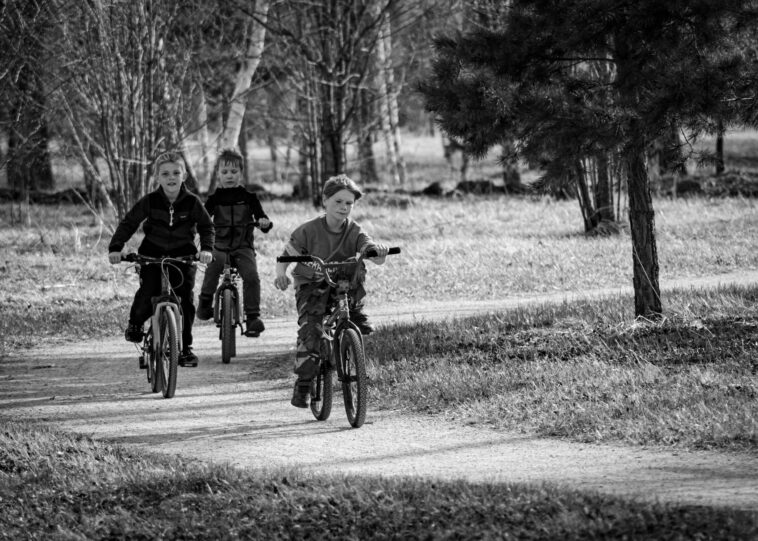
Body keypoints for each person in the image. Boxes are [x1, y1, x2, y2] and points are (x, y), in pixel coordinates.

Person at [274, 174, 389, 408]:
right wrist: (281, 273)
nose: (344, 207)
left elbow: (371, 252)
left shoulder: (355, 230)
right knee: (312, 331)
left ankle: (353, 314)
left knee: (355, 271)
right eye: (338, 201)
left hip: (341, 286)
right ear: (325, 200)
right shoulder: (309, 230)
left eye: (349, 203)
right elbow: (286, 255)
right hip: (312, 285)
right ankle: (304, 383)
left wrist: (379, 253)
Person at [108, 151, 214, 367]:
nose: (171, 177)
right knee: (148, 292)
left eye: (176, 172)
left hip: (183, 257)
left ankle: (184, 348)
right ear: (157, 177)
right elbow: (129, 222)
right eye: (165, 174)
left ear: (184, 175)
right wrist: (116, 248)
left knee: (185, 301)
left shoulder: (192, 202)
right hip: (151, 255)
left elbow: (206, 226)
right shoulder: (150, 201)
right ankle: (136, 324)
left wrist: (207, 249)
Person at [196, 149, 272, 337]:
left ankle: (252, 317)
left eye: (234, 172)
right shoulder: (214, 199)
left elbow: (262, 218)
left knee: (252, 276)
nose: (229, 176)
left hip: (242, 246)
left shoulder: (249, 197)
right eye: (224, 172)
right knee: (212, 268)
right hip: (219, 245)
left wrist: (264, 222)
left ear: (241, 173)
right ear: (218, 174)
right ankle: (205, 303)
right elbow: (203, 219)